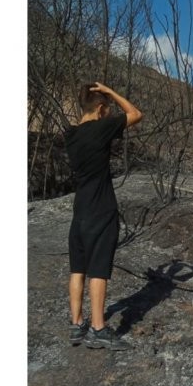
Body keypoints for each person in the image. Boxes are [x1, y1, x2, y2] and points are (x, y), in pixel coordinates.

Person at [64, 82, 143, 350]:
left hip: (80, 213)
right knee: (98, 269)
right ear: (100, 108)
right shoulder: (102, 127)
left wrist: (96, 101)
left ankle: (76, 324)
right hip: (101, 210)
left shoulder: (71, 135)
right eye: (106, 109)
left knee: (78, 268)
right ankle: (98, 328)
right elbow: (135, 114)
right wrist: (111, 93)